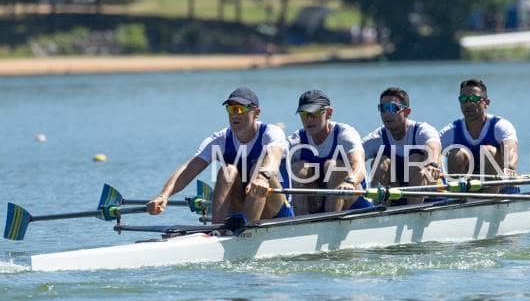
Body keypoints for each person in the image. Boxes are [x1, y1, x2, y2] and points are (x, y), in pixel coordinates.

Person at [146, 87, 292, 224]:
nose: (235, 114)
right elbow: (189, 169)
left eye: (239, 109)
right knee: (228, 171)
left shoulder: (271, 132)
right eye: (230, 109)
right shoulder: (220, 139)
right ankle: (217, 229)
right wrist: (164, 195)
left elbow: (274, 156)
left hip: (276, 210)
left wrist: (262, 177)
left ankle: (248, 231)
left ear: (256, 112)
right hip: (240, 206)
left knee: (258, 169)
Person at [287, 90, 372, 214]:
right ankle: (300, 221)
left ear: (329, 113)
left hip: (352, 202)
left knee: (333, 166)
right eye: (304, 114)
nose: (309, 119)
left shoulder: (345, 134)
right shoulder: (296, 141)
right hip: (317, 203)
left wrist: (350, 181)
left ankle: (330, 218)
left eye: (314, 113)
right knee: (298, 168)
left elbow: (359, 166)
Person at [362, 87, 441, 204]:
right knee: (379, 161)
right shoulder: (377, 137)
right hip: (397, 194)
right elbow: (353, 157)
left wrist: (432, 163)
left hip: (430, 196)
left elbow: (433, 146)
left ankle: (414, 209)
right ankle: (380, 208)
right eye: (383, 108)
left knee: (415, 159)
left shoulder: (422, 130)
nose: (387, 114)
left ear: (407, 112)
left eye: (393, 108)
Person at [439, 79, 519, 191]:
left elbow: (511, 149)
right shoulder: (450, 131)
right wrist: (432, 167)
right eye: (463, 99)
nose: (468, 104)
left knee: (488, 151)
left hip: (502, 191)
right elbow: (432, 153)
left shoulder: (500, 126)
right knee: (457, 154)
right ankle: (460, 197)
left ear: (486, 102)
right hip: (468, 191)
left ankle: (491, 197)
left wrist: (509, 166)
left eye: (474, 99)